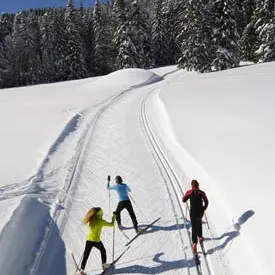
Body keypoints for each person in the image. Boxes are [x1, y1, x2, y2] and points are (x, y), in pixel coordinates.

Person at [79, 207, 116, 275]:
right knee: (103, 250)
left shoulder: (92, 219)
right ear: (100, 213)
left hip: (89, 240)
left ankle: (82, 269)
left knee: (86, 255)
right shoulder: (100, 221)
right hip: (96, 241)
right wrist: (114, 216)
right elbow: (111, 224)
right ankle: (104, 265)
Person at [182, 179, 209, 253]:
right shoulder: (201, 193)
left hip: (193, 212)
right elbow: (206, 201)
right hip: (200, 212)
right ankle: (200, 237)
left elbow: (183, 199)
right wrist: (204, 208)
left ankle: (194, 243)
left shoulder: (189, 192)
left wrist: (187, 198)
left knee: (194, 226)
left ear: (192, 186)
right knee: (199, 223)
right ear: (198, 185)